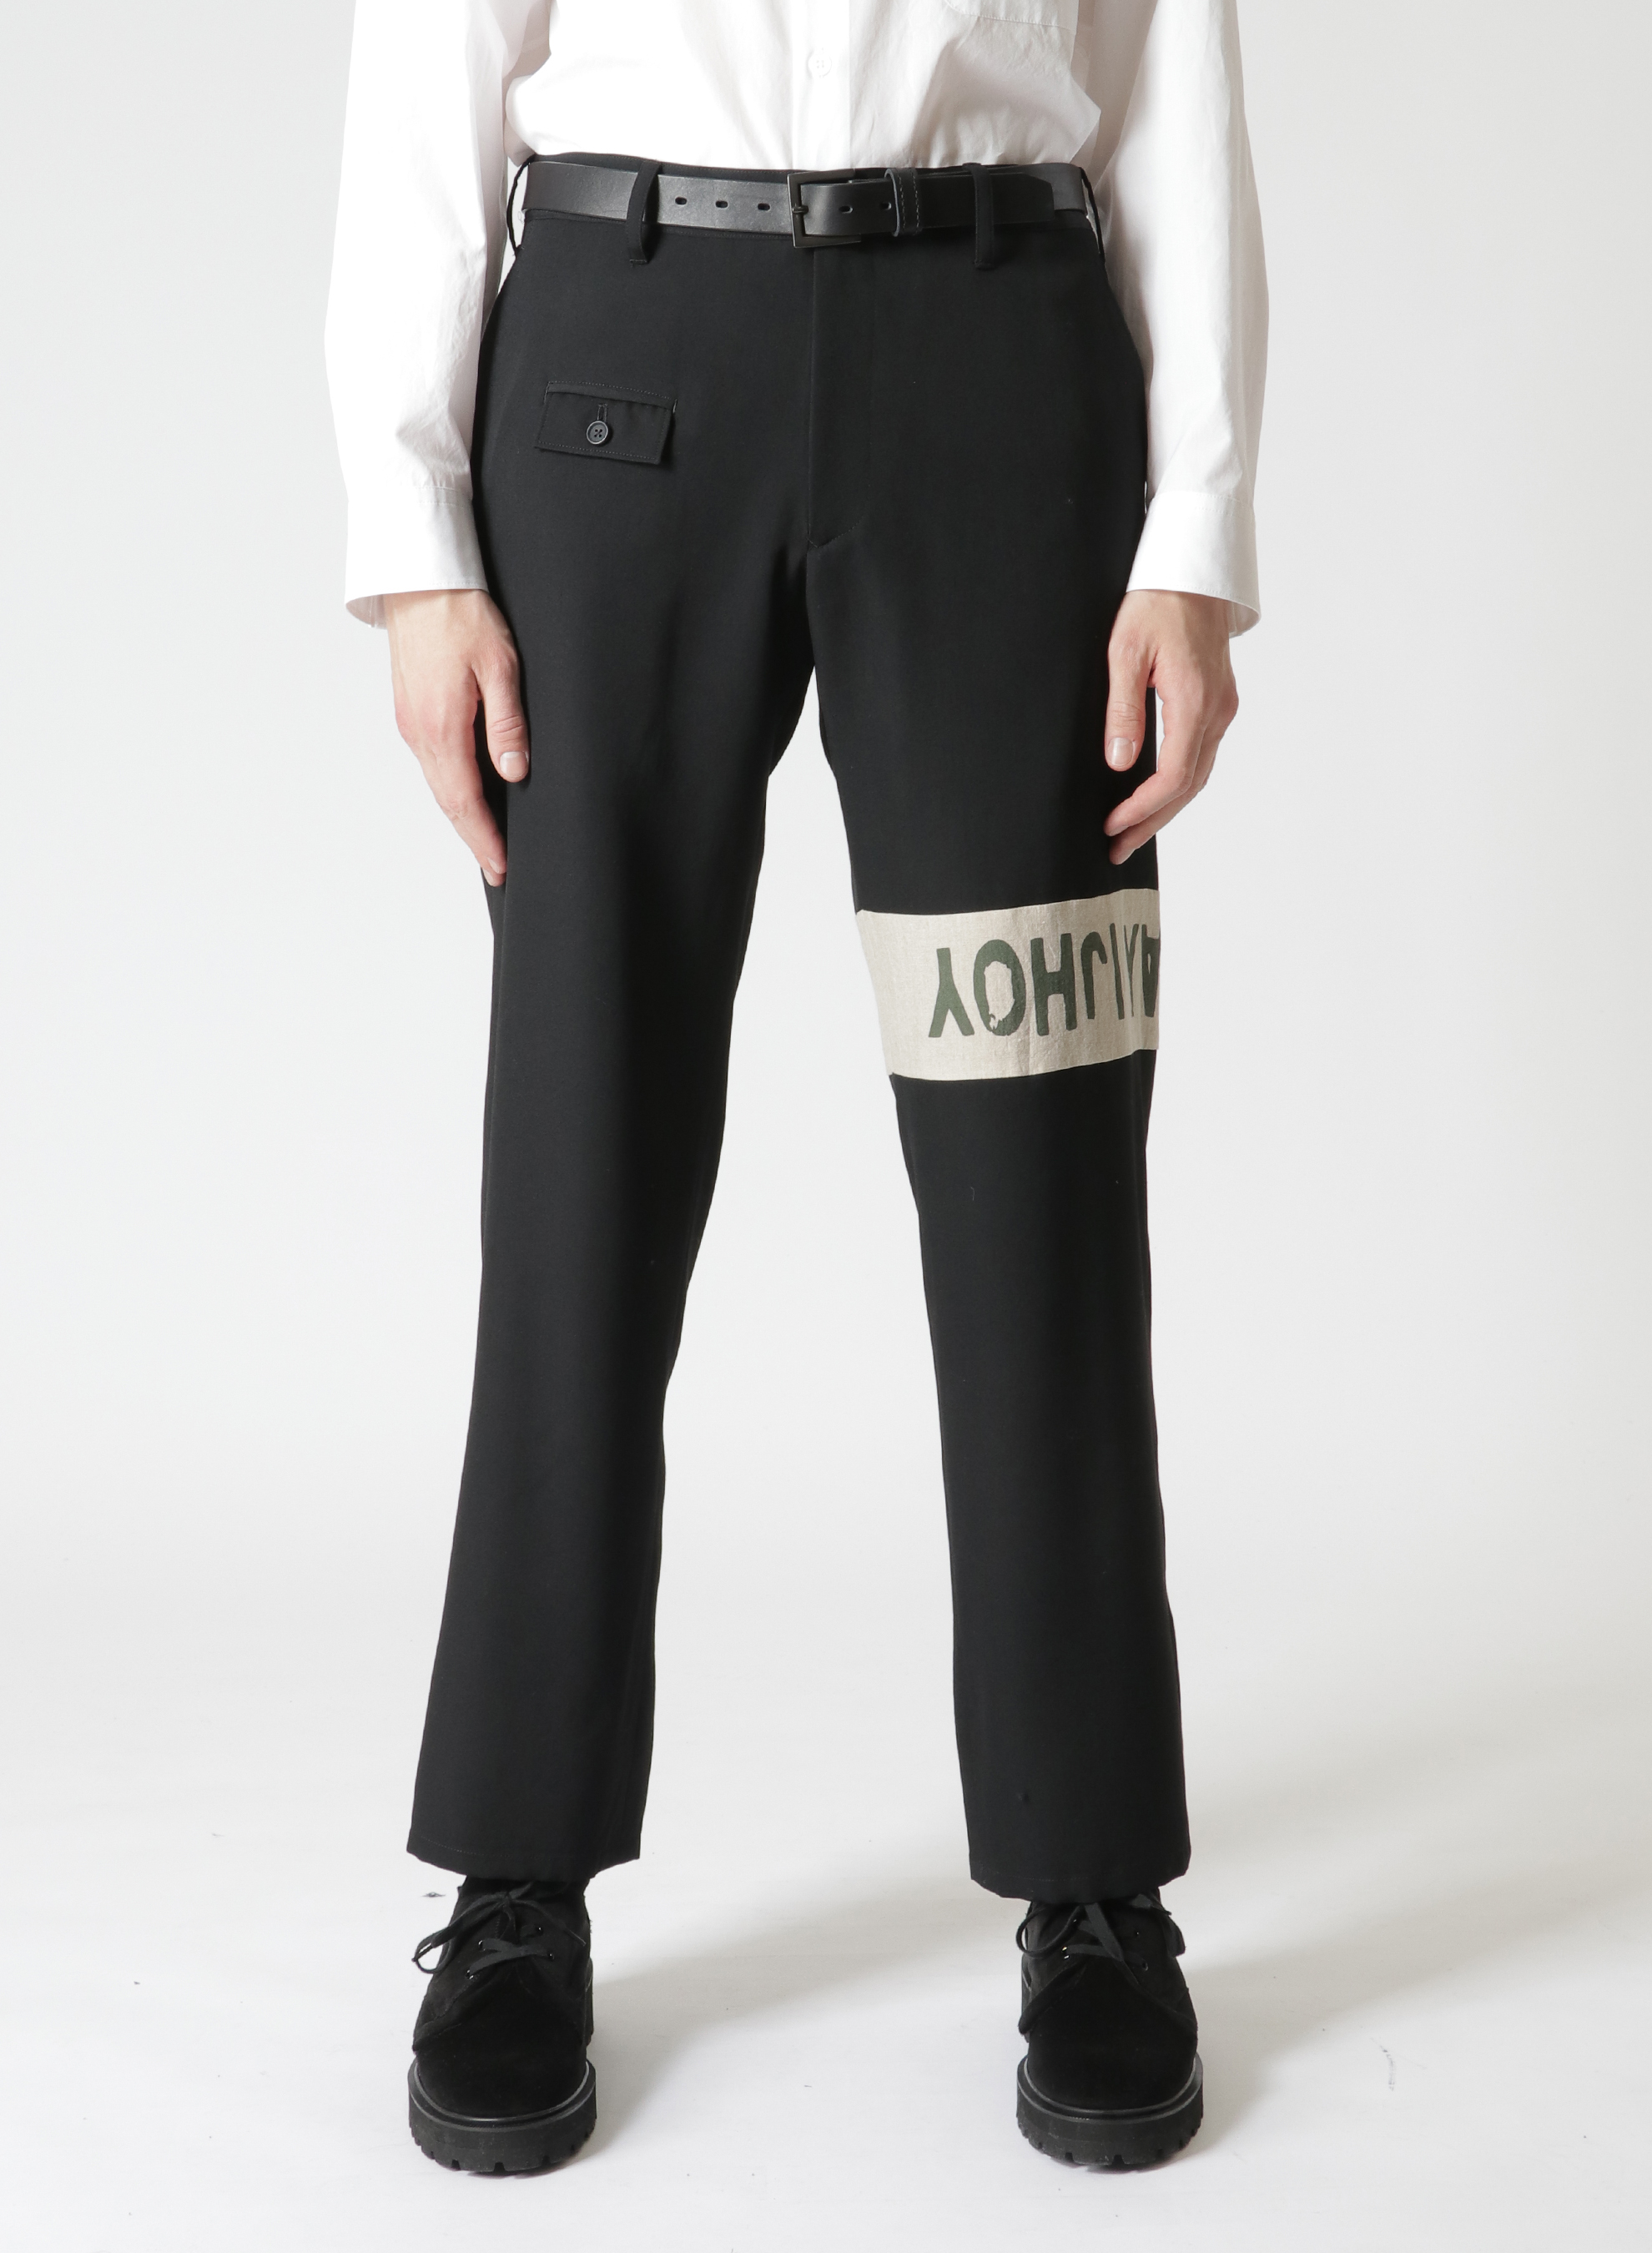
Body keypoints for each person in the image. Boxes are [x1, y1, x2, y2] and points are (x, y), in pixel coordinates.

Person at [326, 0, 1266, 2179]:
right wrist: (414, 537)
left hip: (1001, 373)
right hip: (621, 369)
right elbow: (432, 58)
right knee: (584, 1153)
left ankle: (1092, 1880)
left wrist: (1197, 528)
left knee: (1038, 1156)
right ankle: (515, 1880)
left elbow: (1172, 71)